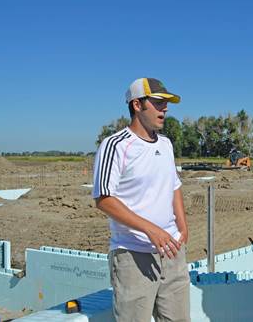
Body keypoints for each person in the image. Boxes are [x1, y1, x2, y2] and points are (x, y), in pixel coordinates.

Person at [92, 77, 190, 322]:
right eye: (158, 102)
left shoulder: (166, 144)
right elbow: (103, 198)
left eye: (166, 103)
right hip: (133, 255)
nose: (164, 108)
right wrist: (150, 230)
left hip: (172, 253)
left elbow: (174, 187)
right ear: (137, 105)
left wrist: (182, 226)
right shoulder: (115, 145)